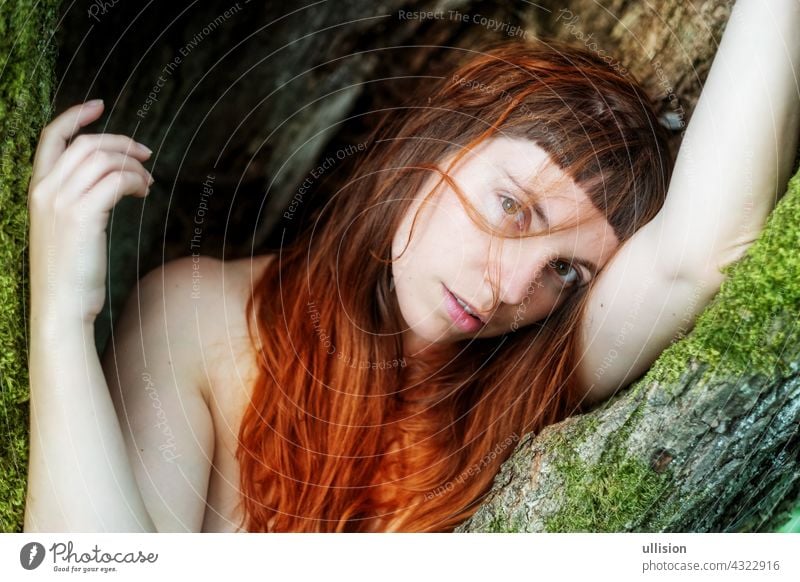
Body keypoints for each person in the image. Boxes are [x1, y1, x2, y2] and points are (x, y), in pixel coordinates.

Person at [25, 0, 800, 533]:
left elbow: (695, 256)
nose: (508, 287)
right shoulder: (197, 319)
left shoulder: (523, 376)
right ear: (432, 148)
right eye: (510, 206)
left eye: (566, 271)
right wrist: (59, 319)